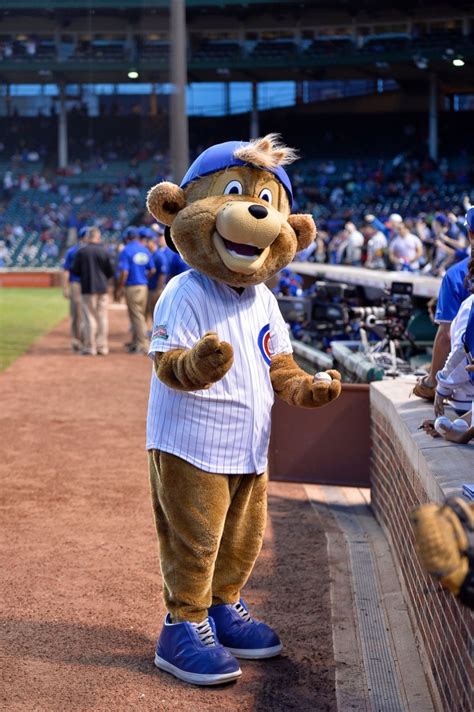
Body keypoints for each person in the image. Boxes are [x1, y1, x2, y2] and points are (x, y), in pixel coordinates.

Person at [413, 208, 474, 401]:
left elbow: (446, 337)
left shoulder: (457, 275)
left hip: (466, 392)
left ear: (470, 234)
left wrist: (432, 380)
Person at [71, 227, 114, 356]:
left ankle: (90, 347)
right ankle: (102, 346)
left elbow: (75, 271)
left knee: (89, 318)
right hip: (102, 288)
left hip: (87, 288)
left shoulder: (81, 252)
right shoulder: (105, 251)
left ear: (88, 237)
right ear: (98, 237)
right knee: (102, 317)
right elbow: (110, 272)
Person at [116, 226, 154, 354]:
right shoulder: (145, 249)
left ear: (127, 238)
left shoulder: (126, 250)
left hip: (132, 286)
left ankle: (143, 345)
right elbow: (152, 270)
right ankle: (135, 342)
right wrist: (144, 278)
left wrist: (120, 287)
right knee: (140, 315)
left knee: (136, 316)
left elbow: (124, 272)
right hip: (143, 286)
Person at [62, 227, 88, 351]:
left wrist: (65, 288)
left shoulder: (72, 251)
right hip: (81, 284)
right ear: (84, 237)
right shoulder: (75, 251)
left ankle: (77, 341)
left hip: (78, 285)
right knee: (82, 314)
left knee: (77, 314)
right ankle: (81, 341)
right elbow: (66, 271)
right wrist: (65, 287)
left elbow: (66, 271)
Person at [146, 228, 168, 328]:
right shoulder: (153, 254)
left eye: (148, 242)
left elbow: (162, 274)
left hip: (157, 289)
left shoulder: (159, 255)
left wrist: (158, 288)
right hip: (152, 288)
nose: (146, 244)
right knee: (152, 312)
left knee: (157, 313)